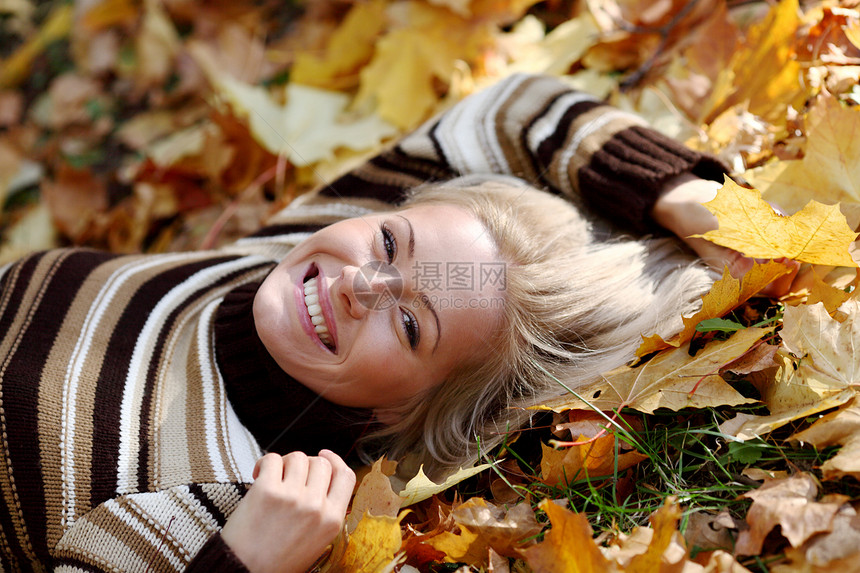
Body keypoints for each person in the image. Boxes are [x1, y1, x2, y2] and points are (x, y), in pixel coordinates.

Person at [0, 73, 787, 572]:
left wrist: (240, 562)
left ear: (406, 411)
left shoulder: (219, 496)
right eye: (390, 241)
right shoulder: (303, 247)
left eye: (410, 326)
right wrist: (678, 196)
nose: (360, 285)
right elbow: (514, 106)